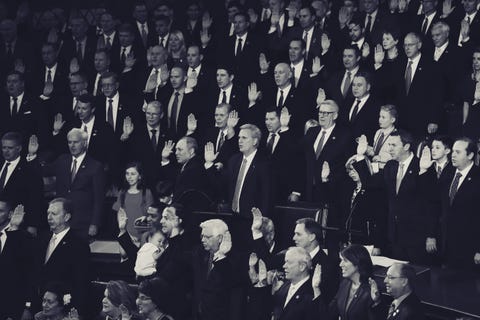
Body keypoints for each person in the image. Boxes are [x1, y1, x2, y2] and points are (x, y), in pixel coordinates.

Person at [30, 128, 105, 238]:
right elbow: (43, 171)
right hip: (61, 222)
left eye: (76, 142)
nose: (72, 145)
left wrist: (95, 223)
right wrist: (33, 155)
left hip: (82, 222)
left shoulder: (95, 166)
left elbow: (99, 199)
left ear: (84, 143)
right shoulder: (62, 160)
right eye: (69, 142)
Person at [35, 198, 90, 317]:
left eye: (54, 214)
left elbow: (81, 282)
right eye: (48, 213)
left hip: (62, 311)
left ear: (66, 217)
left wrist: (74, 313)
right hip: (39, 307)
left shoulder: (78, 244)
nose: (49, 217)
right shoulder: (42, 238)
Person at [439, 137, 480, 267]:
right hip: (444, 246)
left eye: (458, 152)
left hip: (468, 248)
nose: (453, 155)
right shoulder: (447, 173)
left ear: (470, 155)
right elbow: (437, 206)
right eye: (453, 152)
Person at [0, 200, 35, 320]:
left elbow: (28, 273)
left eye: (0, 211)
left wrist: (27, 306)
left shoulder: (24, 237)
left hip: (11, 305)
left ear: (10, 214)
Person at [327, 244, 382, 320]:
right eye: (341, 260)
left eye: (345, 261)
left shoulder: (370, 289)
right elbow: (330, 312)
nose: (340, 264)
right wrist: (316, 289)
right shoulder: (345, 284)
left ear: (357, 263)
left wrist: (376, 302)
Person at [113, 162, 154, 238]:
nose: (129, 177)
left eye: (133, 174)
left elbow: (151, 217)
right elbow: (120, 216)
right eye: (127, 174)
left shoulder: (147, 193)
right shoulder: (122, 193)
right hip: (126, 234)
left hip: (144, 235)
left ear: (139, 176)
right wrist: (124, 233)